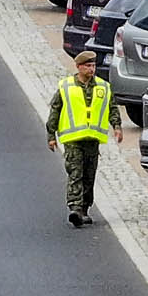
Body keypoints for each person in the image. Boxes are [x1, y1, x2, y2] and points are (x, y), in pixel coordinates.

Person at [46, 50, 124, 226]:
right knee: (76, 173)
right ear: (78, 67)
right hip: (72, 139)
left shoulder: (103, 87)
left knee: (89, 174)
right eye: (88, 66)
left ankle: (84, 208)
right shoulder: (66, 87)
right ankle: (75, 207)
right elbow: (55, 110)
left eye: (93, 65)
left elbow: (112, 108)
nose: (91, 69)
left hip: (92, 139)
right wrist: (51, 135)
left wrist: (117, 127)